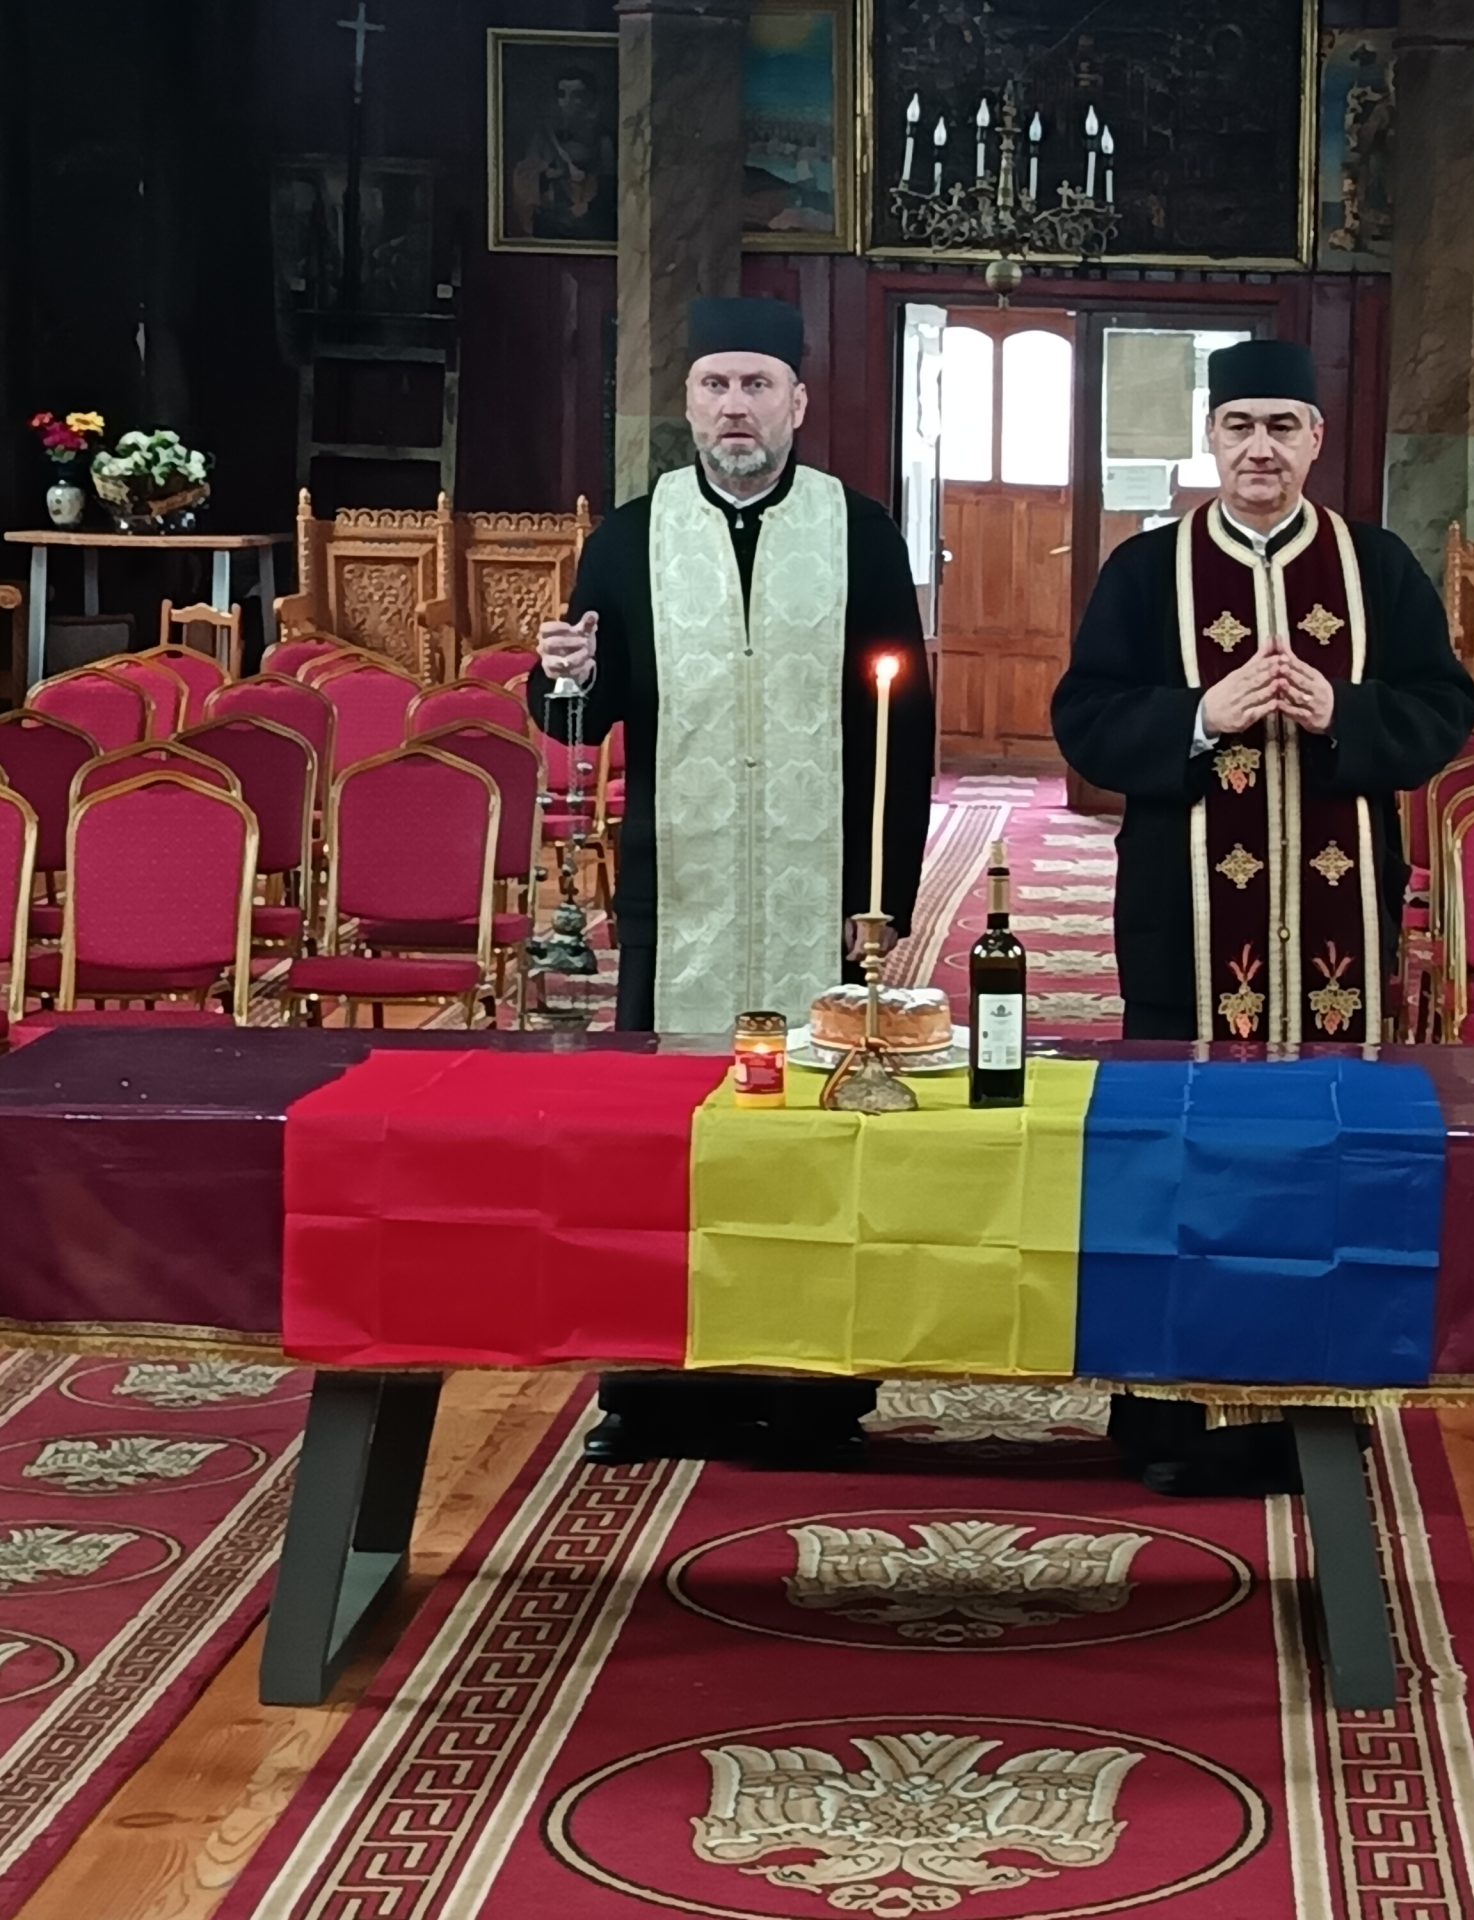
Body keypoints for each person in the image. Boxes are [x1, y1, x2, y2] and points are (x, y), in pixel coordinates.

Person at [1051, 338, 1474, 1494]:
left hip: (1339, 928)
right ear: (1211, 436)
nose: (1259, 449)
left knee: (1324, 1154)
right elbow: (1085, 719)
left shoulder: (1374, 566)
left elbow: (1444, 710)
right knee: (1181, 1157)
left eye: (1282, 426)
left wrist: (1343, 711)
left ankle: (1309, 1408)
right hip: (1183, 926)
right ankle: (1168, 1416)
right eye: (1239, 425)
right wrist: (1202, 714)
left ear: (1315, 439)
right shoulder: (1147, 569)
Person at [533, 295, 935, 1468]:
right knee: (664, 1134)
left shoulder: (858, 531)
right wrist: (561, 677)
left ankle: (813, 1392)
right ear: (690, 403)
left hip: (821, 888)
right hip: (681, 895)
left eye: (757, 385)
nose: (735, 407)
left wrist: (882, 893)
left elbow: (901, 725)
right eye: (715, 385)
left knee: (818, 1132)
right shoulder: (630, 537)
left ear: (797, 401)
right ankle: (656, 1392)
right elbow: (585, 706)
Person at [510, 67, 616, 244]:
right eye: (562, 95)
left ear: (590, 98)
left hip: (590, 222)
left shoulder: (603, 139)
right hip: (552, 220)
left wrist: (589, 205)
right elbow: (527, 177)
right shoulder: (544, 135)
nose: (568, 102)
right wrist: (550, 174)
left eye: (577, 95)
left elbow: (610, 186)